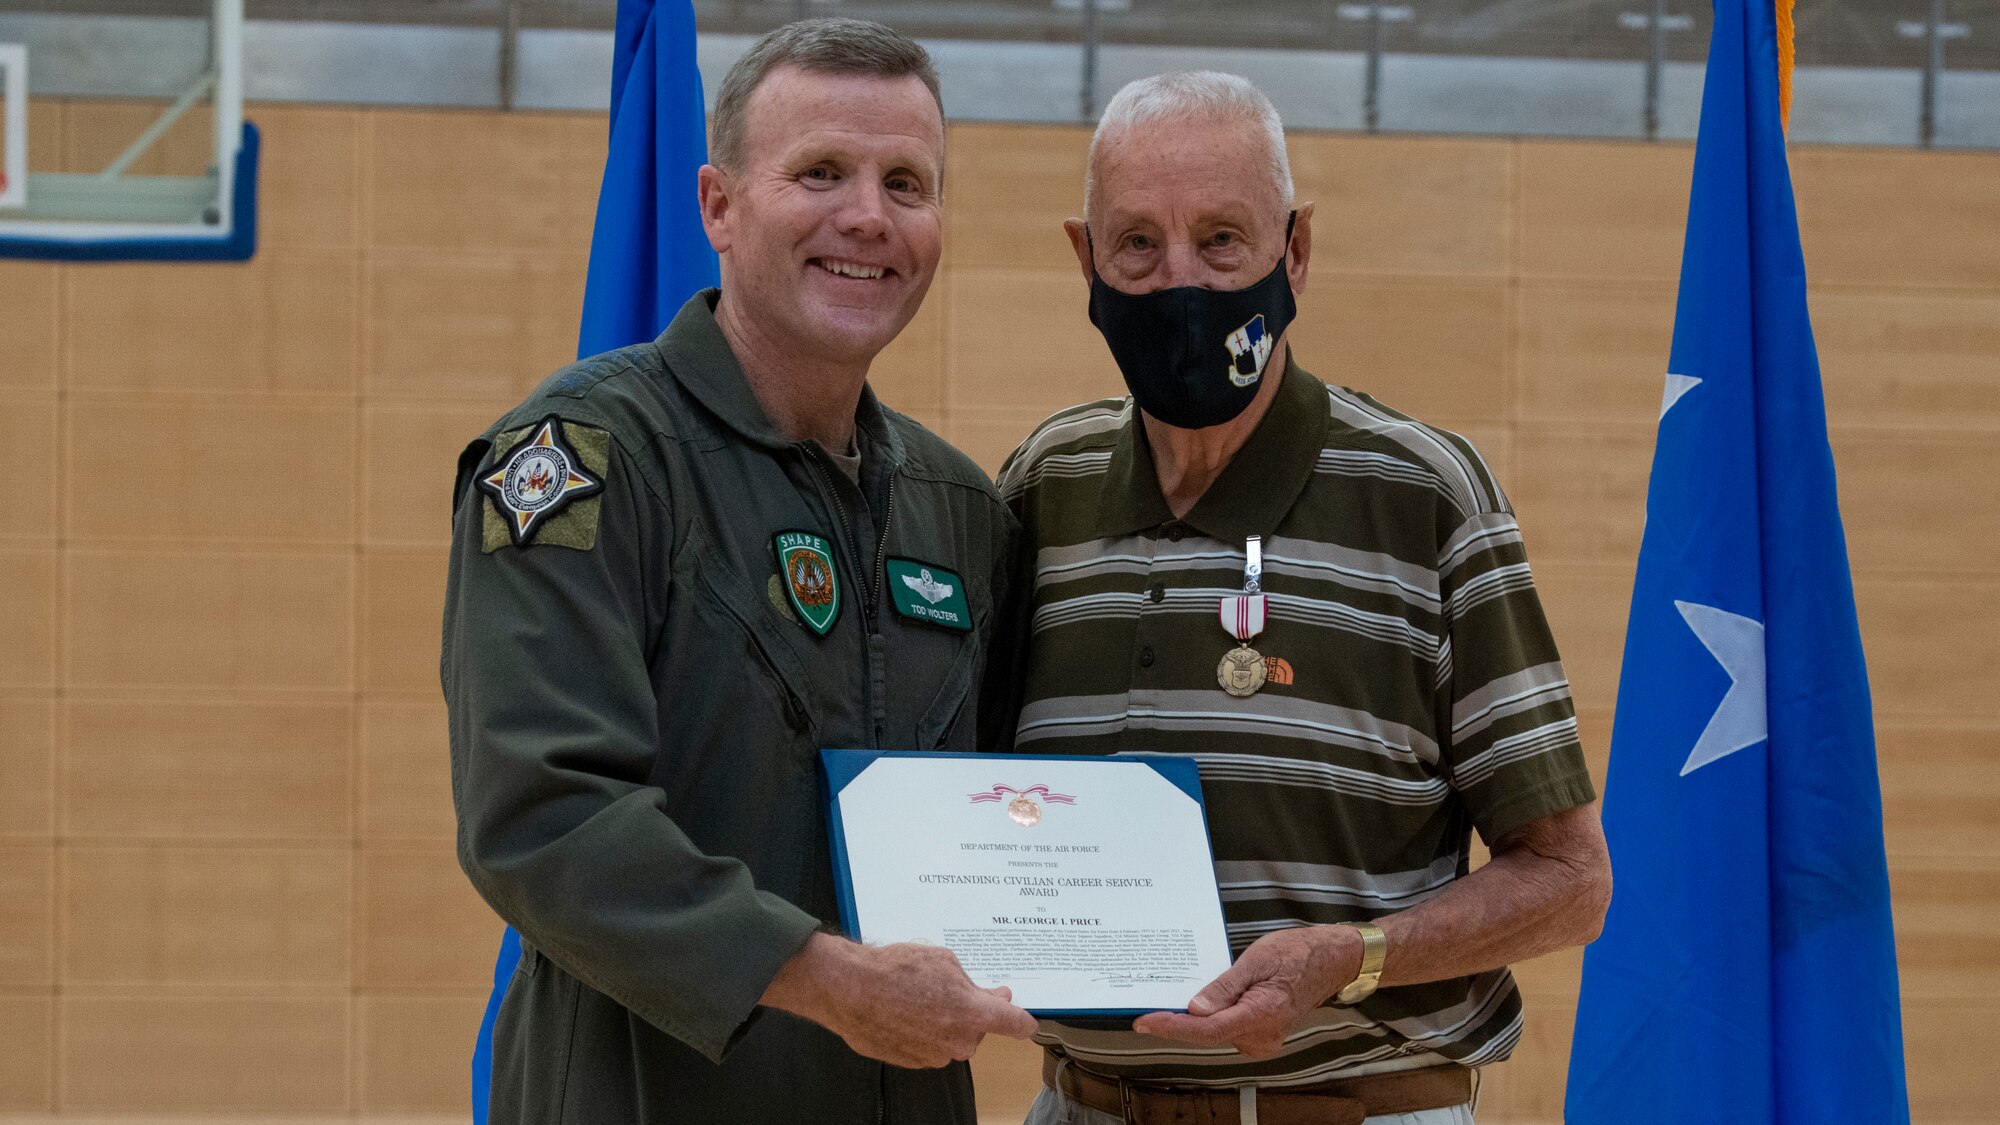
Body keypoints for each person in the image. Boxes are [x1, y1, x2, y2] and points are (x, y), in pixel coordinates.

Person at [442, 18, 1037, 1124]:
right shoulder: (586, 460)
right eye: (820, 172)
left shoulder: (960, 511)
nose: (867, 214)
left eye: (905, 182)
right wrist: (832, 984)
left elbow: (1010, 811)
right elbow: (543, 813)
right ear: (717, 205)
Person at [998, 72, 1613, 1125]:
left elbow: (1566, 879)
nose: (1178, 282)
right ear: (1081, 258)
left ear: (1296, 249)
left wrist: (1355, 958)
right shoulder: (1040, 488)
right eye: (1135, 244)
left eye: (1222, 241)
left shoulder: (1423, 494)